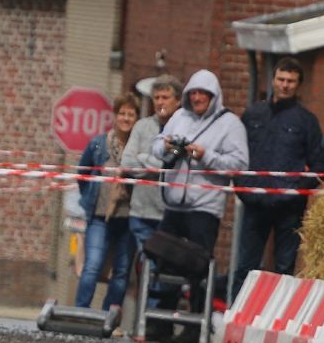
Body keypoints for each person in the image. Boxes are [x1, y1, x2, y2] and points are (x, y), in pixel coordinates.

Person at [151, 69, 249, 314]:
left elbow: (239, 165)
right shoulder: (179, 117)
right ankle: (159, 320)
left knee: (197, 268)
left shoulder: (231, 124)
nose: (197, 98)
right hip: (173, 205)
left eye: (202, 93)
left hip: (205, 208)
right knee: (164, 263)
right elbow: (155, 146)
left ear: (213, 96)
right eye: (192, 93)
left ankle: (195, 324)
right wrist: (165, 146)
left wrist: (207, 156)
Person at [233, 57, 324, 298]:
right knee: (246, 266)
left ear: (298, 85)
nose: (285, 85)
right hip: (254, 202)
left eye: (291, 81)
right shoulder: (253, 114)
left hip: (289, 208)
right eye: (281, 79)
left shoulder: (306, 121)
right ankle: (237, 314)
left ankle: (274, 320)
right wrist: (242, 187)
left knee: (284, 268)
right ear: (272, 80)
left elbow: (320, 167)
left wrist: (295, 190)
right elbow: (237, 154)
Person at [73, 93, 141, 312]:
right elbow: (82, 174)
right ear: (115, 115)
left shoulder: (139, 148)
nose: (126, 118)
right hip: (99, 216)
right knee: (92, 266)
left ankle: (109, 316)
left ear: (137, 119)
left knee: (121, 272)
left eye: (131, 114)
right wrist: (90, 199)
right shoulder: (98, 144)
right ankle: (81, 311)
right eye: (122, 113)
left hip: (128, 219)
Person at [122, 75, 181, 252]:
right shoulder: (141, 126)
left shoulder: (184, 128)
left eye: (165, 97)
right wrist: (159, 166)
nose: (160, 102)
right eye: (156, 98)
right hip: (141, 212)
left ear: (177, 101)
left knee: (162, 266)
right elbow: (127, 163)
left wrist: (143, 158)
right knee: (147, 263)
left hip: (169, 214)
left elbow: (175, 168)